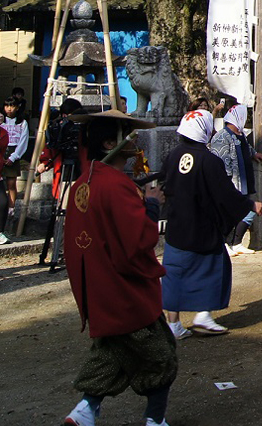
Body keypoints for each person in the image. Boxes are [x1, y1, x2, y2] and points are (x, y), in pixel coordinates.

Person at [62, 110, 176, 426]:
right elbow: (139, 239)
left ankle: (84, 411)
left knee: (109, 356)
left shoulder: (81, 185)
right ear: (111, 141)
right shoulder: (116, 186)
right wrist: (152, 204)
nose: (133, 142)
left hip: (97, 289)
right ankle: (155, 419)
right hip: (127, 293)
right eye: (127, 134)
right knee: (160, 357)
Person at [162, 109, 261, 339]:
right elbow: (224, 194)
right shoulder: (208, 160)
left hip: (176, 226)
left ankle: (173, 323)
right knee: (213, 269)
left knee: (174, 273)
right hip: (203, 227)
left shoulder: (173, 155)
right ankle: (203, 315)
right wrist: (248, 204)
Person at [208, 101, 260, 256]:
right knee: (227, 213)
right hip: (231, 183)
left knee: (247, 210)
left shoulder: (240, 134)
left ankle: (237, 243)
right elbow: (220, 161)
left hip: (244, 180)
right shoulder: (221, 136)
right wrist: (227, 182)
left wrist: (254, 154)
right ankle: (223, 242)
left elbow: (246, 149)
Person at [2, 95, 30, 224]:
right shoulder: (2, 121)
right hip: (1, 151)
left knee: (11, 184)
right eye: (7, 106)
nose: (9, 109)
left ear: (17, 108)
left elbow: (23, 142)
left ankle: (11, 210)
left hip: (14, 152)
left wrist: (14, 157)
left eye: (12, 106)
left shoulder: (22, 123)